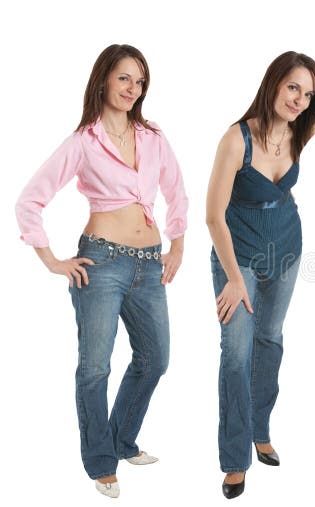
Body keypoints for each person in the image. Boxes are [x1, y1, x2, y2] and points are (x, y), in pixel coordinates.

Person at [15, 44, 188, 498]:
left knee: (156, 359)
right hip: (102, 261)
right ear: (104, 81)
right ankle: (99, 460)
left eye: (140, 81)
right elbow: (29, 200)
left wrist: (178, 244)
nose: (133, 88)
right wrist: (51, 260)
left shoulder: (153, 137)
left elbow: (177, 191)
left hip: (150, 265)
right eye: (125, 78)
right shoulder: (82, 143)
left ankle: (121, 440)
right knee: (95, 367)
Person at [205, 51, 315, 499]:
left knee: (270, 340)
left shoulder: (298, 133)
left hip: (286, 252)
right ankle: (235, 459)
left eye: (307, 93)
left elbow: (280, 191)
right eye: (293, 87)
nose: (299, 99)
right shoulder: (236, 139)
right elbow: (213, 217)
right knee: (236, 352)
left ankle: (260, 428)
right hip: (238, 258)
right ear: (274, 83)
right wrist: (234, 280)